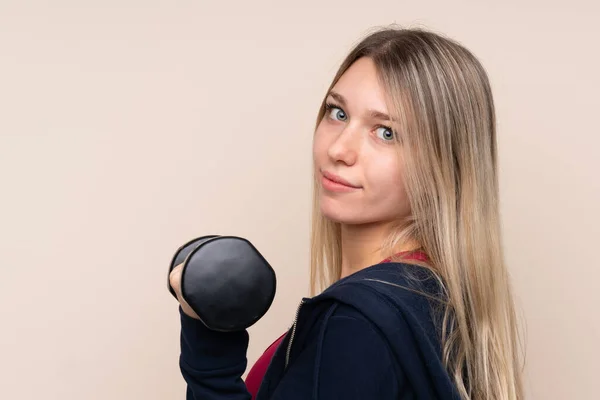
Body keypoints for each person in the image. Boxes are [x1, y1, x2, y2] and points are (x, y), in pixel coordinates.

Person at [169, 26, 524, 400]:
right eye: (337, 113)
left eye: (385, 132)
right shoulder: (434, 302)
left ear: (445, 164)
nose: (339, 148)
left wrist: (209, 360)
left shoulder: (357, 323)